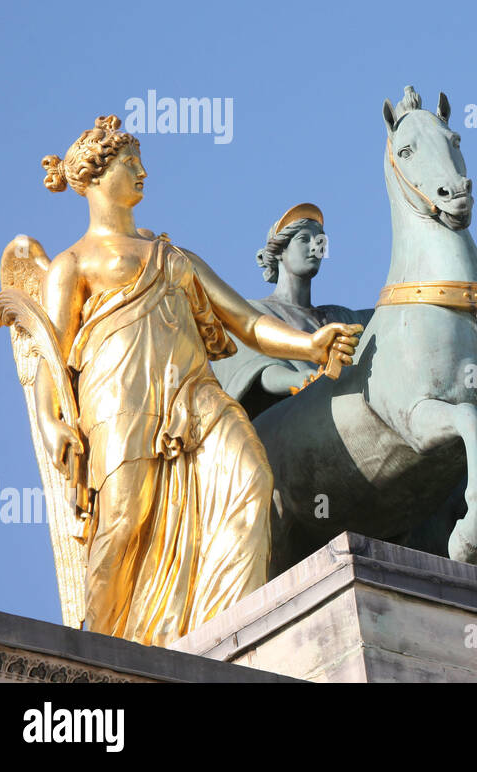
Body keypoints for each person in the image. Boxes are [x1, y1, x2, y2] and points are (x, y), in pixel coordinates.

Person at [32, 115, 361, 646]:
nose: (142, 171)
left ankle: (225, 635)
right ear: (94, 176)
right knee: (122, 521)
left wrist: (310, 344)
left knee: (250, 476)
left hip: (194, 396)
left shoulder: (173, 256)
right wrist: (51, 423)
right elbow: (50, 357)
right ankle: (91, 653)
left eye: (139, 161)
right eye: (128, 163)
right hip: (120, 404)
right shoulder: (71, 265)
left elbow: (248, 323)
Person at [212, 203, 372, 419]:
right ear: (279, 251)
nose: (315, 248)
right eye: (304, 239)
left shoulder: (339, 317)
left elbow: (390, 316)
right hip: (285, 422)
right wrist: (296, 379)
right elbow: (255, 368)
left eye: (320, 241)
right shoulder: (254, 313)